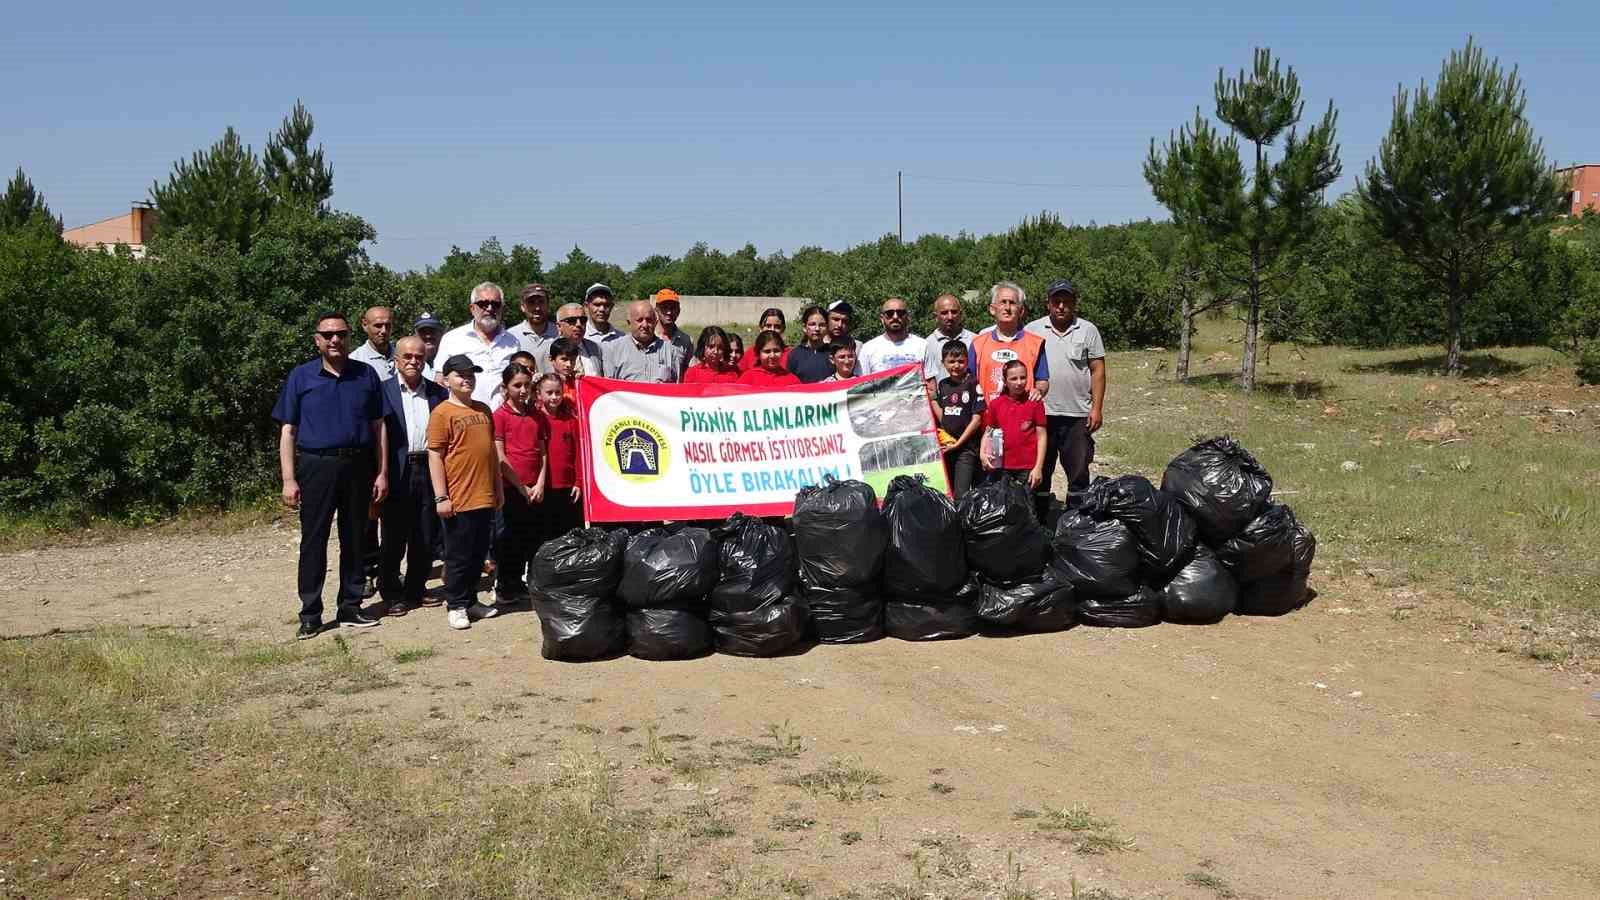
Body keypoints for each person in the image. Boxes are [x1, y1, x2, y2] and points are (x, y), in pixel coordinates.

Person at [273, 311, 389, 639]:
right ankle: (310, 613)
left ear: (350, 337)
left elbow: (379, 427)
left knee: (355, 538)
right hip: (315, 466)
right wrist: (288, 478)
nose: (335, 339)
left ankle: (351, 606)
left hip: (358, 465)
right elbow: (288, 430)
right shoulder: (301, 377)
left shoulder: (365, 375)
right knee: (314, 540)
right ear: (317, 340)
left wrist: (381, 473)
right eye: (328, 335)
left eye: (341, 333)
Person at [427, 354, 503, 630]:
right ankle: (456, 604)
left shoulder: (483, 410)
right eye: (460, 374)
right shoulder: (442, 413)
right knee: (457, 555)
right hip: (458, 497)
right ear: (447, 379)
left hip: (485, 495)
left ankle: (471, 600)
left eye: (471, 374)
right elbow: (435, 455)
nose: (467, 379)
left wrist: (498, 487)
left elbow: (492, 454)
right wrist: (441, 496)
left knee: (478, 553)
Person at [377, 336, 447, 617]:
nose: (413, 362)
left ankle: (416, 588)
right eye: (407, 357)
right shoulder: (383, 391)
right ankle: (392, 591)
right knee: (394, 534)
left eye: (419, 357)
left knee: (425, 533)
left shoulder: (437, 393)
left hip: (429, 467)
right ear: (396, 361)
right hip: (397, 469)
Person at [1026, 278, 1107, 517]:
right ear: (1048, 303)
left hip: (1078, 415)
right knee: (1040, 471)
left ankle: (1077, 523)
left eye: (1066, 301)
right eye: (1056, 301)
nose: (1061, 306)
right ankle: (1039, 523)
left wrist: (1097, 408)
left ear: (1074, 303)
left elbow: (1098, 370)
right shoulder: (1033, 329)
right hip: (1042, 415)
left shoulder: (1088, 330)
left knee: (1079, 472)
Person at [492, 363, 545, 608]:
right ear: (505, 388)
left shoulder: (536, 414)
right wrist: (522, 487)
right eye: (517, 385)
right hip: (512, 489)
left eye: (527, 385)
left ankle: (521, 584)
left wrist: (540, 482)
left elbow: (542, 451)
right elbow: (500, 457)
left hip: (535, 489)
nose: (523, 390)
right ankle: (504, 585)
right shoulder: (500, 416)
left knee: (529, 538)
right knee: (508, 540)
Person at [435, 281, 521, 409]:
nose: (490, 308)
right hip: (466, 416)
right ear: (472, 308)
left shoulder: (513, 342)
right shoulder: (452, 339)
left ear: (502, 308)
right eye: (483, 304)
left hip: (504, 418)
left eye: (495, 304)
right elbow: (440, 381)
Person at [969, 281, 1049, 404]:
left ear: (1021, 311)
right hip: (988, 419)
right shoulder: (977, 343)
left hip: (1023, 417)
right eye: (1003, 302)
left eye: (1012, 303)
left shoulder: (1035, 343)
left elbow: (1042, 381)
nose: (1007, 308)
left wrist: (1038, 391)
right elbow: (969, 381)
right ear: (992, 309)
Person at [980, 359, 1046, 490]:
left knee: (1026, 507)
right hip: (1002, 466)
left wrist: (1038, 467)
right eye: (1013, 379)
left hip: (1027, 467)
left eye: (1023, 377)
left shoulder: (1035, 403)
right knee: (1002, 505)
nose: (1019, 382)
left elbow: (1042, 436)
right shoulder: (996, 404)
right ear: (1005, 381)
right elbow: (989, 431)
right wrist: (982, 453)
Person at [535, 373, 583, 543]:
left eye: (558, 392)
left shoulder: (570, 420)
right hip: (544, 487)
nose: (554, 397)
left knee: (569, 535)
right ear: (539, 394)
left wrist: (578, 482)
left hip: (568, 487)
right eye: (549, 392)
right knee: (546, 534)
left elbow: (578, 452)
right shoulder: (535, 418)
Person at [934, 339, 985, 498]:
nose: (956, 365)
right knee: (945, 490)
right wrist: (932, 400)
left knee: (961, 494)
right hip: (947, 447)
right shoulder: (943, 385)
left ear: (967, 361)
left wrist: (958, 444)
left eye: (960, 361)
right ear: (943, 363)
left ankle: (963, 522)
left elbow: (977, 420)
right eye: (951, 361)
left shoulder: (973, 383)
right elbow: (944, 417)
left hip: (966, 448)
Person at [601, 301, 683, 382]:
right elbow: (608, 388)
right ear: (629, 323)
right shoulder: (613, 350)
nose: (645, 325)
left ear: (655, 322)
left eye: (649, 320)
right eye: (639, 320)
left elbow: (676, 387)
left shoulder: (670, 351)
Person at [858, 297, 927, 375]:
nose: (895, 317)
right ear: (882, 318)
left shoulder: (923, 345)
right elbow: (861, 384)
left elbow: (931, 383)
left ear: (907, 317)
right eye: (889, 313)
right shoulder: (868, 348)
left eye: (900, 313)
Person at [922, 293, 976, 384]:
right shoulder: (927, 345)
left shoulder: (975, 340)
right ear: (936, 316)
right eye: (944, 313)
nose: (950, 317)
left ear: (960, 314)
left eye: (954, 312)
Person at [550, 303, 602, 375]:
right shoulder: (548, 349)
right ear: (559, 326)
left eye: (583, 320)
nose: (579, 324)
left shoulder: (595, 348)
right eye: (572, 320)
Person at [509, 283, 558, 359]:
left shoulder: (560, 334)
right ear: (522, 307)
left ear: (548, 304)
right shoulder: (511, 337)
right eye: (531, 302)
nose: (537, 308)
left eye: (541, 302)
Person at [653, 288, 694, 378]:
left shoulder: (686, 341)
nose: (669, 312)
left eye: (673, 308)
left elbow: (689, 373)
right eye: (665, 307)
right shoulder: (647, 337)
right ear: (656, 309)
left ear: (678, 311)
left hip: (675, 391)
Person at [786, 305, 833, 383]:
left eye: (821, 325)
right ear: (804, 327)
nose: (817, 329)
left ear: (827, 328)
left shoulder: (833, 353)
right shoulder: (794, 355)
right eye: (812, 324)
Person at [350, 306, 397, 381]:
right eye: (378, 326)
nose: (384, 331)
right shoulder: (355, 361)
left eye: (387, 325)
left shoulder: (404, 356)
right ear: (365, 325)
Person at [825, 300, 862, 375]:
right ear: (826, 320)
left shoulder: (858, 347)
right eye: (835, 319)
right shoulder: (818, 346)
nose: (839, 325)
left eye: (844, 321)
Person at [547, 337, 584, 402]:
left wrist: (582, 381)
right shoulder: (544, 383)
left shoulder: (578, 382)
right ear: (551, 359)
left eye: (572, 360)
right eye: (564, 359)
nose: (569, 364)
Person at [414, 312, 445, 382]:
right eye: (423, 332)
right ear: (416, 335)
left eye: (432, 331)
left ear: (441, 333)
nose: (428, 336)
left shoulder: (451, 360)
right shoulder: (410, 364)